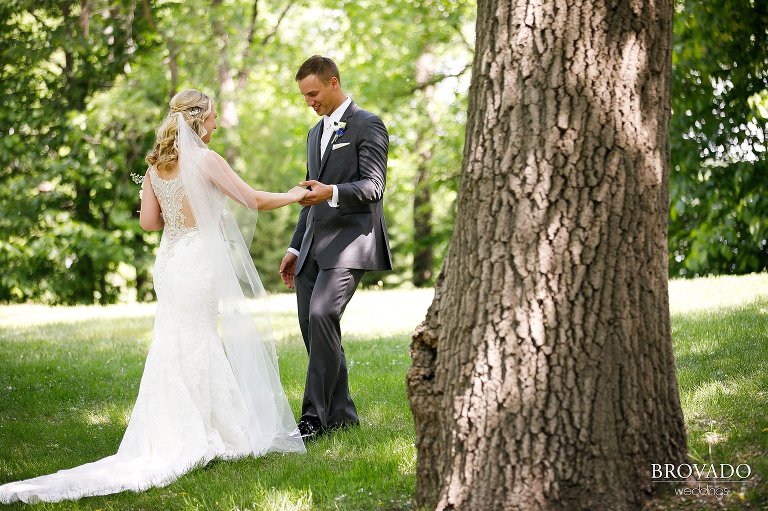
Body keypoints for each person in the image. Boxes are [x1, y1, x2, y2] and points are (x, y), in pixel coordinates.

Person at [0, 89, 307, 504]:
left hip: (170, 263)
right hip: (198, 261)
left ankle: (184, 425)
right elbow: (252, 200)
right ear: (199, 120)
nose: (216, 124)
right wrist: (293, 195)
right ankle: (204, 430)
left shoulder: (156, 168)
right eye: (214, 117)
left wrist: (175, 209)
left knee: (175, 340)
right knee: (198, 337)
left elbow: (148, 223)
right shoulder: (207, 161)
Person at [279, 56, 393, 440]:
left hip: (351, 243)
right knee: (315, 329)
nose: (309, 101)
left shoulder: (368, 124)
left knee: (323, 314)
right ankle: (342, 415)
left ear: (333, 82)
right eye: (304, 96)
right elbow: (310, 197)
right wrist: (295, 249)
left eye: (313, 93)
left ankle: (312, 418)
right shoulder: (314, 133)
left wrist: (333, 192)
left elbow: (373, 187)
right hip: (312, 246)